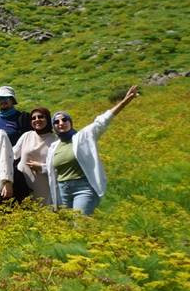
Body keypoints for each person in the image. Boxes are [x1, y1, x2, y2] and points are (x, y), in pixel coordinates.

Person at [46, 85, 139, 216]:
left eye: (64, 119)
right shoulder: (54, 146)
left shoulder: (83, 136)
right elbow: (52, 168)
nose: (61, 123)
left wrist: (124, 101)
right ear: (54, 127)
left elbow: (102, 121)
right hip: (63, 190)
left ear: (70, 122)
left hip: (83, 187)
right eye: (56, 121)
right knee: (67, 227)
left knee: (80, 224)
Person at [12, 107, 57, 205]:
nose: (37, 120)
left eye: (41, 117)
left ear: (48, 119)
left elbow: (59, 167)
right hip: (22, 185)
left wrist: (42, 167)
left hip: (43, 186)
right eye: (33, 118)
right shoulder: (27, 135)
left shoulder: (55, 140)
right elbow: (12, 154)